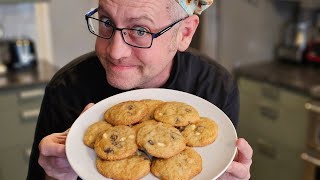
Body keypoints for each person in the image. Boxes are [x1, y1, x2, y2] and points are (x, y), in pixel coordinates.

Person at [27, 0, 253, 179]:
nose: (115, 51)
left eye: (141, 30)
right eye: (106, 21)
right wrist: (57, 176)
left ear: (184, 33)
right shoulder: (67, 89)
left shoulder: (215, 87)